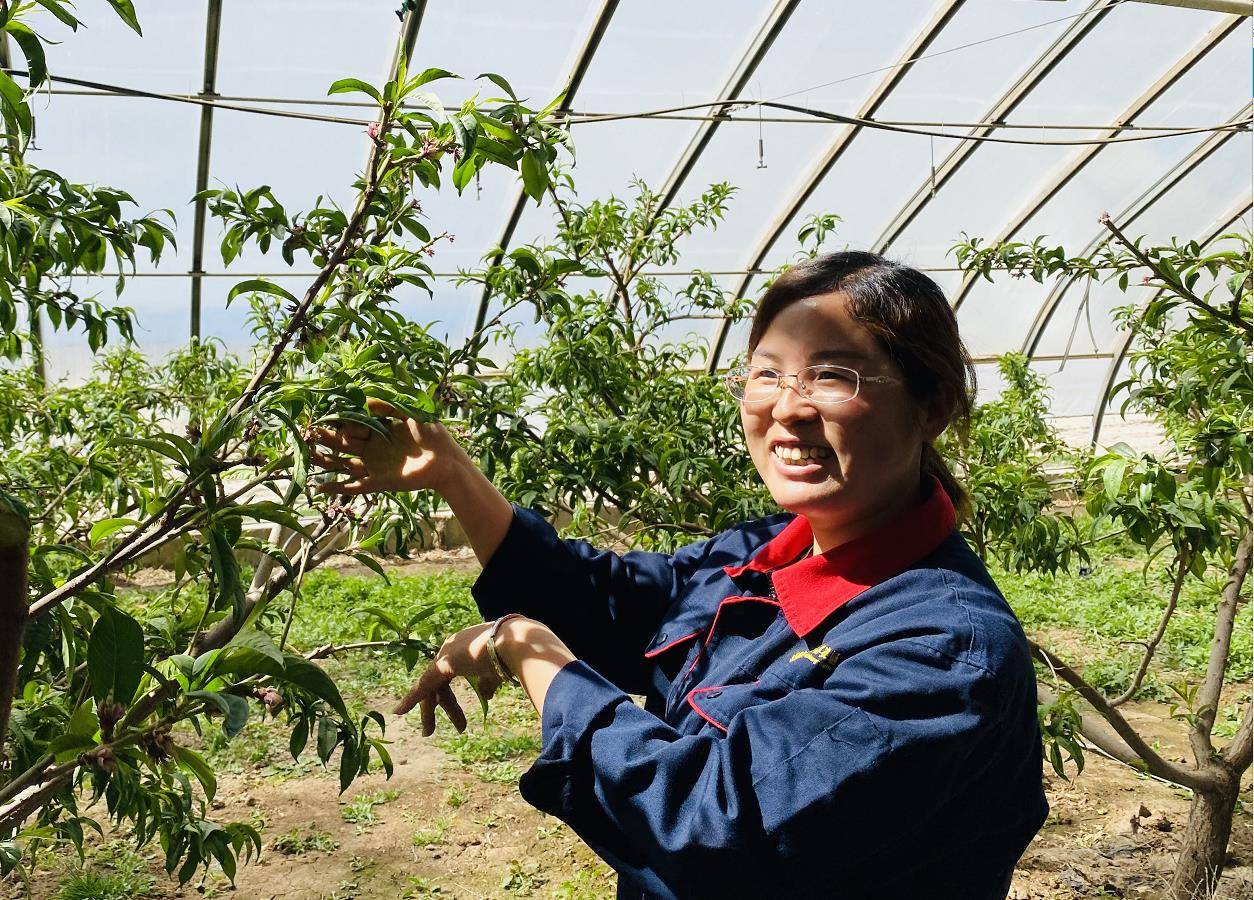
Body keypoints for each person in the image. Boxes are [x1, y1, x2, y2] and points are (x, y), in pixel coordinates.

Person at [309, 251, 1048, 899]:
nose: (787, 409)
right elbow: (614, 603)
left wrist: (530, 651)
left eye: (831, 376)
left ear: (934, 406)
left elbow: (708, 825)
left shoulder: (943, 650)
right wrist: (456, 476)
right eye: (767, 373)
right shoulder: (765, 552)